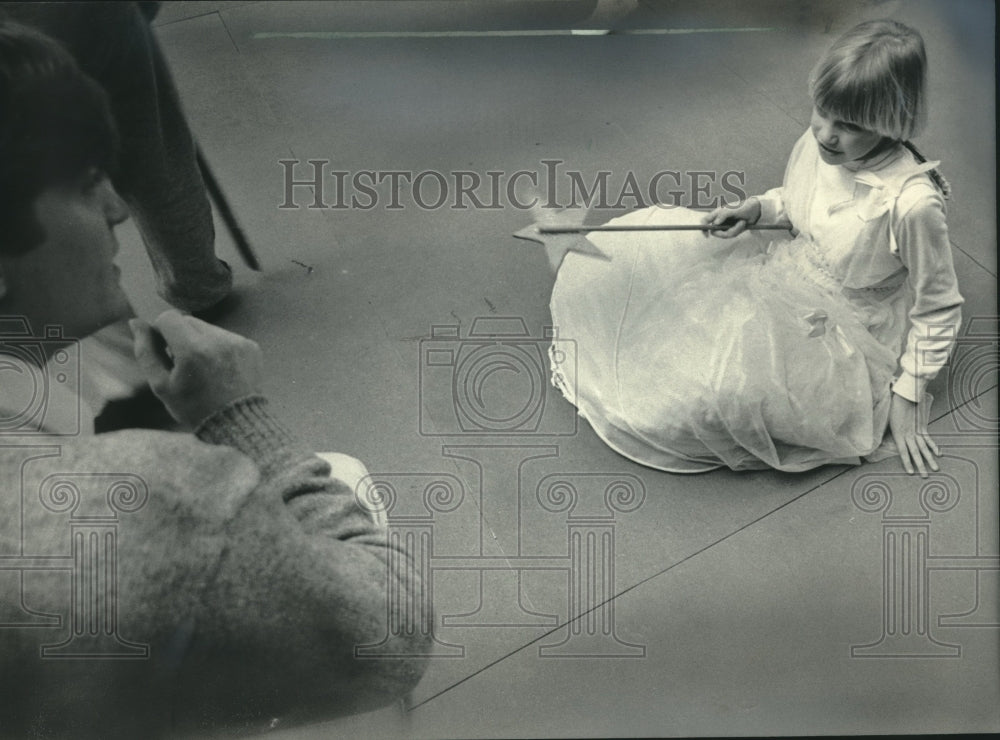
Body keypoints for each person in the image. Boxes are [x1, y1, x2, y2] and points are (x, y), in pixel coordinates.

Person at [0, 22, 428, 737]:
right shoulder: (149, 509)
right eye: (82, 186)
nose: (117, 209)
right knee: (344, 479)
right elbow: (387, 639)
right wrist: (240, 417)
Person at [548, 19, 963, 477]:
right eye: (821, 112)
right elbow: (805, 203)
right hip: (790, 268)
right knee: (658, 289)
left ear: (891, 122)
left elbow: (939, 307)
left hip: (849, 322)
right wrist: (756, 210)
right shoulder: (822, 146)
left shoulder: (911, 204)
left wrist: (909, 391)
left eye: (848, 125)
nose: (825, 134)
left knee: (717, 393)